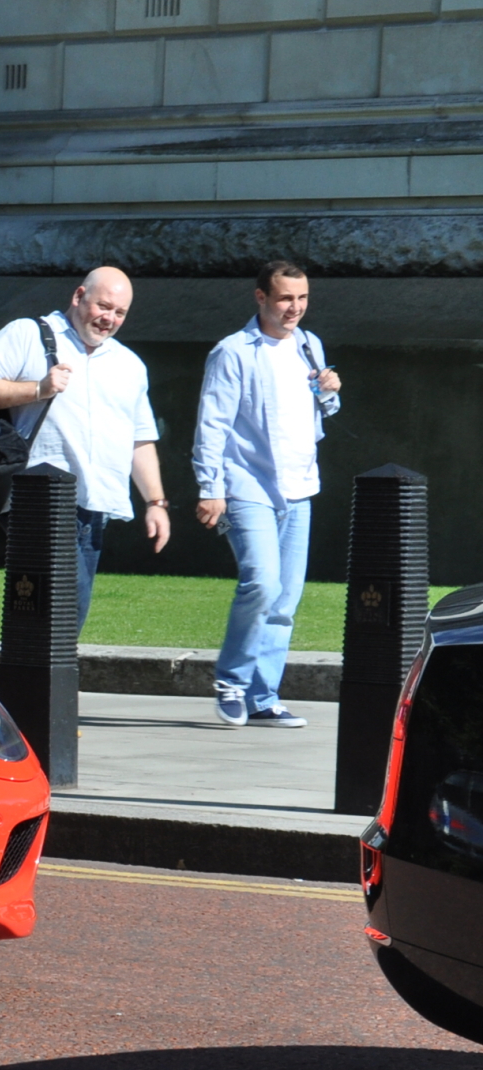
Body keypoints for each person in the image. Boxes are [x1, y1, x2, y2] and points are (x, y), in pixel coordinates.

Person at [0, 266, 169, 631]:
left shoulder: (129, 364)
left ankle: (37, 687)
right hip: (39, 500)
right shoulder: (30, 334)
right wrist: (37, 389)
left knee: (68, 616)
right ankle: (33, 686)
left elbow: (139, 437)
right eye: (103, 306)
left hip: (96, 506)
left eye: (120, 313)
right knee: (52, 610)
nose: (109, 319)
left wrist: (156, 503)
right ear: (78, 297)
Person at [190, 260, 342, 729]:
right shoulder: (233, 352)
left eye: (302, 299)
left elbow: (321, 411)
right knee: (262, 581)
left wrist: (331, 391)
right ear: (261, 298)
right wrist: (210, 489)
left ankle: (263, 696)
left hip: (298, 487)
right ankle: (231, 681)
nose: (294, 308)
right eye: (284, 299)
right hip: (246, 485)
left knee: (285, 600)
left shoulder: (309, 345)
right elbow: (211, 425)